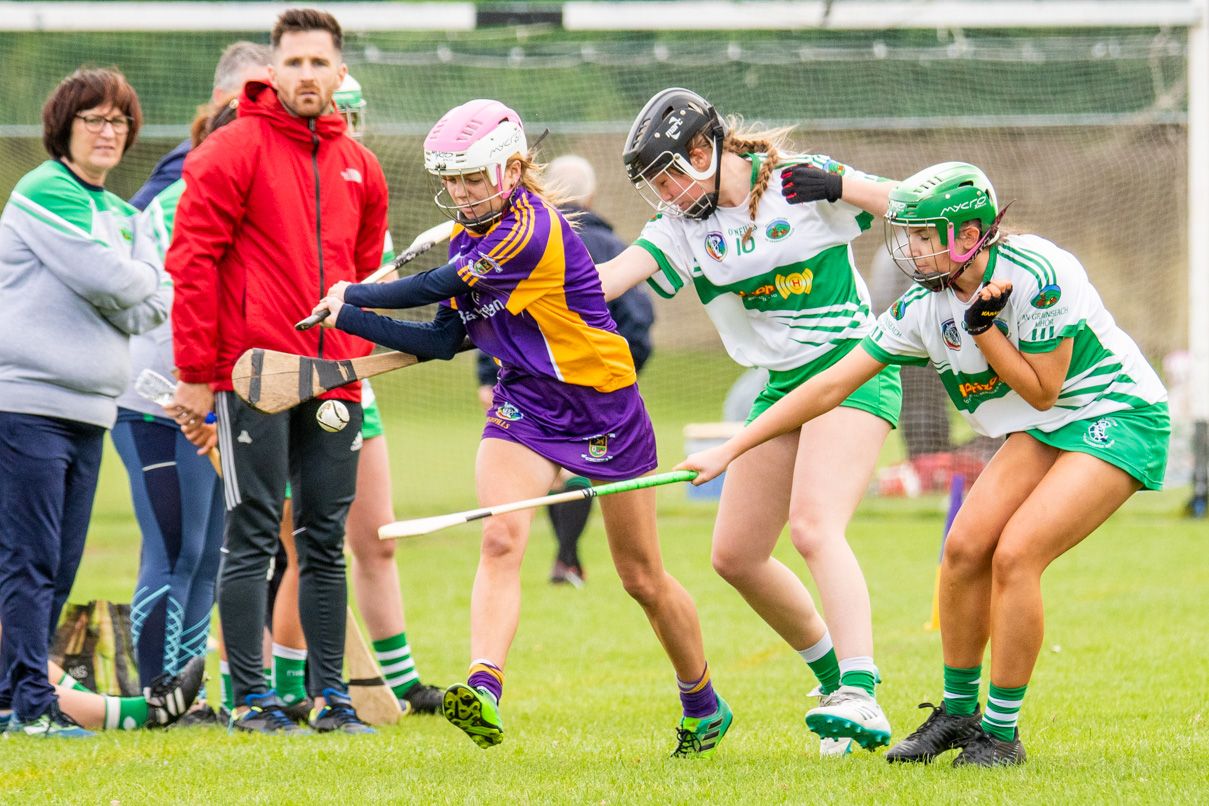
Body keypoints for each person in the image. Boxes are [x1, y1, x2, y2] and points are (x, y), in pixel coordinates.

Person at [678, 161, 1170, 767]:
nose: (910, 247)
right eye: (907, 233)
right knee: (964, 549)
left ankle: (1001, 733)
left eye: (924, 235)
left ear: (969, 236)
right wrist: (733, 447)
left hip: (1116, 414)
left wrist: (985, 333)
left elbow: (1044, 390)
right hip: (1043, 424)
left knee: (1016, 555)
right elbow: (831, 385)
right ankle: (959, 716)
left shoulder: (1042, 273)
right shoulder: (921, 308)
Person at [310, 98, 733, 757]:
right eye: (449, 180)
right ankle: (484, 689)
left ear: (510, 169)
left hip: (603, 408)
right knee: (501, 539)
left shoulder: (528, 232)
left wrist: (354, 294)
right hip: (523, 402)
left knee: (640, 577)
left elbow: (439, 284)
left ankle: (703, 702)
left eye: (472, 179)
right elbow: (445, 339)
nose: (460, 193)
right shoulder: (466, 233)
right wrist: (349, 322)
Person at [597, 88, 902, 756]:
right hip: (780, 388)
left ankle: (862, 690)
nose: (667, 194)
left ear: (704, 151)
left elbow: (918, 207)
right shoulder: (682, 223)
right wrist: (510, 296)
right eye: (655, 185)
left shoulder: (799, 185)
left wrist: (844, 182)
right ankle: (832, 688)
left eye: (671, 175)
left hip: (852, 369)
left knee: (814, 528)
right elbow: (608, 281)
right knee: (735, 557)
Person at [167, 8, 390, 736]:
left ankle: (331, 699)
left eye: (318, 64)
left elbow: (358, 279)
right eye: (292, 63)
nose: (305, 76)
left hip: (333, 383)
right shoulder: (229, 152)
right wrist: (199, 372)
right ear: (272, 68)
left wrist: (358, 357)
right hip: (251, 377)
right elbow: (192, 264)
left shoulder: (363, 166)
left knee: (324, 540)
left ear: (339, 73)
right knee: (254, 532)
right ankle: (253, 699)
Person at [262, 74, 445, 720]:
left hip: (353, 390)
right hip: (292, 390)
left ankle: (399, 681)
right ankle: (282, 689)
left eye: (354, 115)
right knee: (305, 547)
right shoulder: (280, 187)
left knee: (378, 537)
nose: (348, 127)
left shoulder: (362, 185)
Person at [0, 67, 172, 738]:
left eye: (119, 121)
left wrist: (126, 284)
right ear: (64, 128)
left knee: (61, 563)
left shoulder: (124, 213)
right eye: (93, 119)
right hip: (27, 405)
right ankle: (26, 705)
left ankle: (15, 695)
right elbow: (113, 279)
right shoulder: (47, 189)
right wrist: (128, 283)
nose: (108, 131)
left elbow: (154, 303)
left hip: (90, 409)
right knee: (29, 559)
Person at [114, 71, 267, 729]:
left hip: (207, 398)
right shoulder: (187, 195)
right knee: (171, 548)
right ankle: (155, 694)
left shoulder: (250, 198)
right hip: (156, 399)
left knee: (206, 551)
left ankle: (187, 695)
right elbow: (185, 299)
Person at [476, 154, 656, 587]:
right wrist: (615, 375)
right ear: (591, 196)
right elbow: (640, 320)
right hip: (598, 394)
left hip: (530, 392)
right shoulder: (608, 245)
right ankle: (567, 558)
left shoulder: (519, 243)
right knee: (574, 469)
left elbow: (489, 314)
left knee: (557, 472)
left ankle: (567, 559)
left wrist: (488, 374)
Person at [128, 41, 271, 211]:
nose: (264, 106)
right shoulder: (185, 163)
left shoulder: (277, 159)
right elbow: (133, 222)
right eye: (253, 95)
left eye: (273, 96)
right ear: (220, 97)